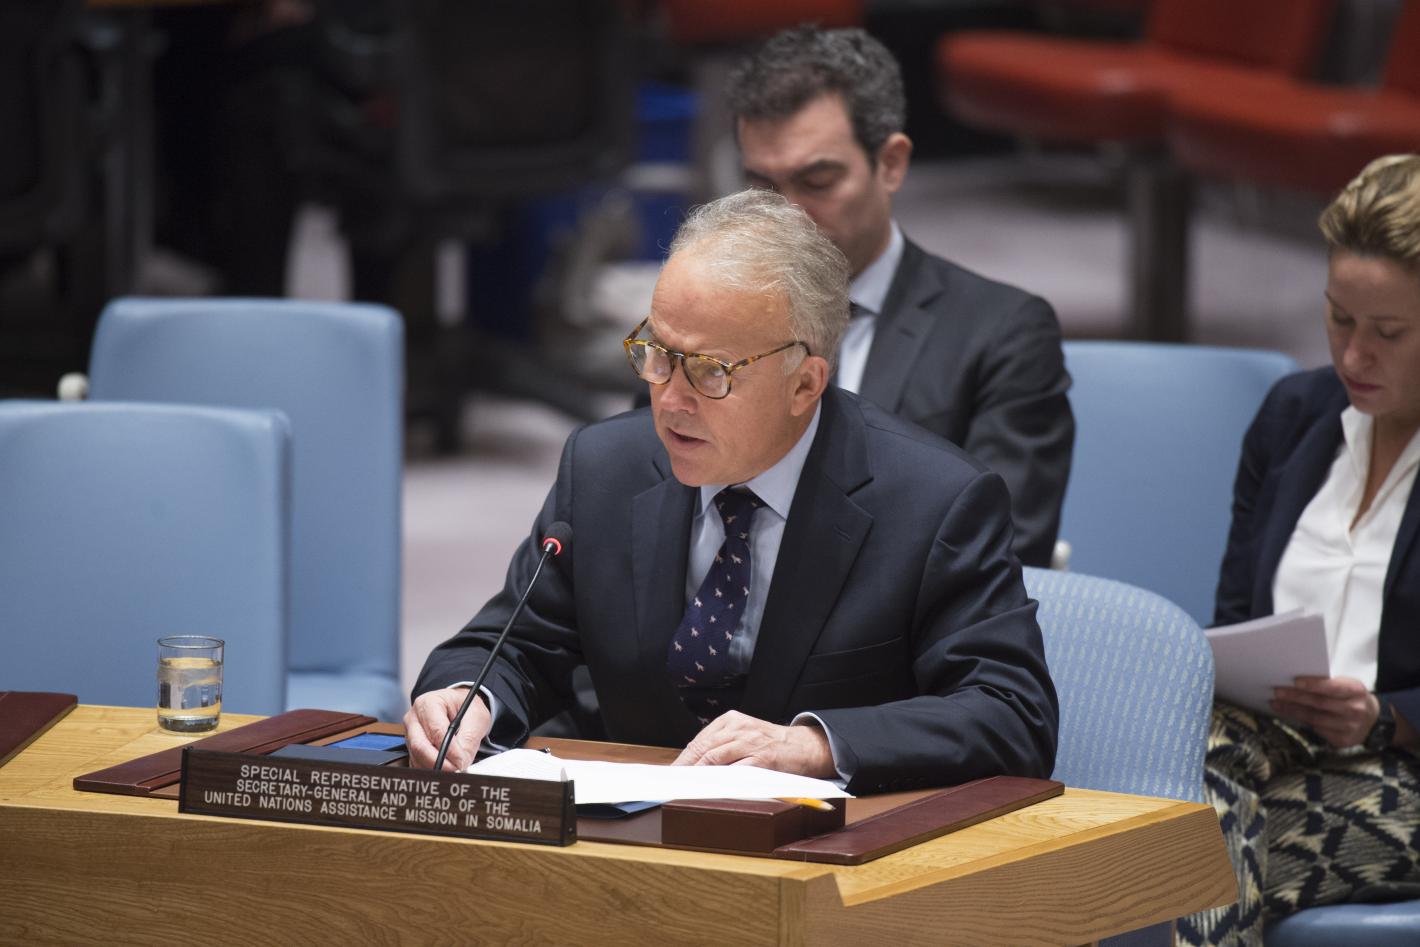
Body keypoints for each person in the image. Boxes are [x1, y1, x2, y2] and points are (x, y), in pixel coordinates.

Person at [404, 189, 1058, 790]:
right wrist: (468, 698)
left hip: (829, 853)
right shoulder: (604, 469)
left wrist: (814, 746)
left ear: (805, 384)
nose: (670, 399)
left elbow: (1011, 713)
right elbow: (513, 644)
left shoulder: (934, 502)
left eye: (710, 371)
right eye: (658, 354)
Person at [1181, 154, 1420, 946]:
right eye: (1338, 318)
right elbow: (1233, 622)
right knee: (1185, 806)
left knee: (1142, 861)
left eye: (1388, 333)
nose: (1353, 356)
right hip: (1266, 747)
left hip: (1405, 768)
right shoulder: (1293, 415)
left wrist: (1383, 719)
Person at [725, 26, 1073, 568]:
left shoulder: (1002, 333)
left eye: (817, 181)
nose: (785, 216)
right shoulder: (709, 313)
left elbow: (994, 558)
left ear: (890, 163)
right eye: (762, 188)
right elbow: (648, 492)